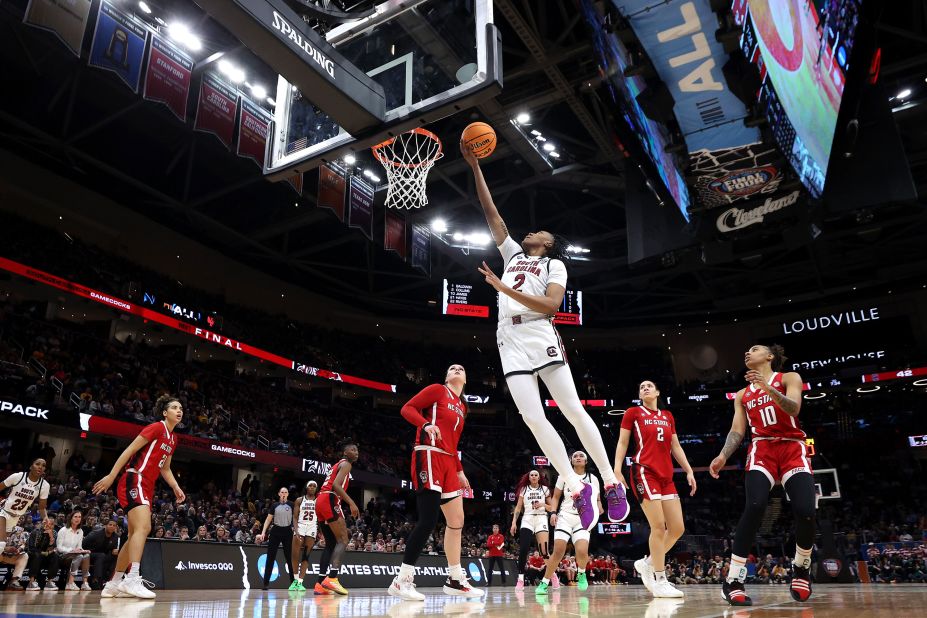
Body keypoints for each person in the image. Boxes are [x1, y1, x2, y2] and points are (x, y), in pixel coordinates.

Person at [462, 139, 628, 528]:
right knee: (533, 418)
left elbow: (552, 307)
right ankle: (574, 487)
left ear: (548, 244)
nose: (530, 232)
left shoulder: (554, 265)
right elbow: (492, 216)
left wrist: (504, 290)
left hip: (540, 333)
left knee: (571, 409)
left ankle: (610, 480)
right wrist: (474, 167)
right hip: (509, 339)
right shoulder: (513, 257)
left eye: (539, 232)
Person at [709, 344, 816, 606]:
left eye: (754, 349)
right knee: (755, 505)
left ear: (769, 357)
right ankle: (733, 580)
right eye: (745, 350)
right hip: (762, 449)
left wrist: (767, 388)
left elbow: (793, 409)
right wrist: (723, 455)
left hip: (792, 446)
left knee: (805, 509)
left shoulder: (789, 378)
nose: (747, 352)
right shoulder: (742, 394)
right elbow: (737, 430)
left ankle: (801, 567)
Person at [387, 365, 483, 601]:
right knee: (429, 520)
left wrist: (460, 471)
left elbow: (453, 442)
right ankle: (402, 580)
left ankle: (454, 579)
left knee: (457, 521)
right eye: (452, 368)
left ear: (466, 378)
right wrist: (425, 424)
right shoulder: (437, 390)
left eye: (461, 368)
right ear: (446, 376)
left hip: (449, 462)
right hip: (429, 454)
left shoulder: (462, 406)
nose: (457, 369)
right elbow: (407, 408)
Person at [93, 394, 186, 599]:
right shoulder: (156, 427)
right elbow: (129, 450)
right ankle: (133, 578)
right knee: (144, 527)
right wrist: (111, 475)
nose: (179, 411)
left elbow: (166, 468)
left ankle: (114, 584)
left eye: (181, 408)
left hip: (147, 485)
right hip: (133, 478)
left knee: (135, 534)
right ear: (164, 412)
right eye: (174, 407)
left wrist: (175, 487)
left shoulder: (173, 438)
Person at [614, 380, 696, 599]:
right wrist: (617, 468)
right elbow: (623, 442)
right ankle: (660, 580)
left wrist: (688, 470)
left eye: (649, 386)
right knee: (658, 526)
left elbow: (675, 446)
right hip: (643, 471)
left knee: (677, 528)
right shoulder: (633, 412)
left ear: (658, 392)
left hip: (666, 476)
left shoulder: (668, 416)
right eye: (641, 387)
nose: (645, 388)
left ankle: (648, 563)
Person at [536, 451, 603, 595]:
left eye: (581, 456)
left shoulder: (593, 478)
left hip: (582, 518)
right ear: (571, 461)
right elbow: (555, 497)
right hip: (565, 516)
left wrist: (599, 506)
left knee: (582, 550)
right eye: (575, 456)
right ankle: (544, 582)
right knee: (558, 551)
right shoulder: (563, 476)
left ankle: (582, 573)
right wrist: (553, 513)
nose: (578, 458)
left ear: (586, 461)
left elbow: (597, 499)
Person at [313, 440, 360, 596]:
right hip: (329, 498)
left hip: (319, 500)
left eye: (357, 450)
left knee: (330, 544)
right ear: (345, 453)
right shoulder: (346, 464)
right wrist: (352, 503)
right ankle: (332, 578)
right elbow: (336, 486)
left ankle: (320, 584)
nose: (356, 452)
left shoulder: (337, 465)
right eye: (353, 449)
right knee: (343, 540)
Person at [511, 469, 552, 590]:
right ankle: (520, 579)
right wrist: (514, 522)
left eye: (536, 475)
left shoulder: (545, 489)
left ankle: (552, 575)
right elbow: (518, 508)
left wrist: (543, 505)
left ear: (539, 478)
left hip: (541, 519)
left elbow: (551, 508)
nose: (534, 476)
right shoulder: (524, 489)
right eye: (532, 475)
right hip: (528, 519)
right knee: (523, 549)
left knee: (544, 551)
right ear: (529, 478)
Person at [0, 458, 49, 555]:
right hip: (3, 512)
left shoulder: (45, 485)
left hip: (16, 518)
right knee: (1, 544)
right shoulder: (18, 476)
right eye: (37, 464)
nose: (40, 467)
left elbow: (42, 507)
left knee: (3, 548)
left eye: (43, 465)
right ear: (31, 466)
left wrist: (45, 519)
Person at [256, 487, 296, 590]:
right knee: (270, 557)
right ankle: (265, 583)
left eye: (285, 492)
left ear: (287, 494)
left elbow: (296, 518)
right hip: (275, 531)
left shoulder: (292, 505)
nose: (283, 493)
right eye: (282, 492)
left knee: (289, 558)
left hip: (287, 532)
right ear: (279, 494)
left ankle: (293, 583)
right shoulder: (274, 505)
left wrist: (296, 531)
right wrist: (263, 533)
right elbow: (268, 520)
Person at [292, 480, 318, 591]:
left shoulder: (319, 501)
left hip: (312, 527)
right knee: (295, 554)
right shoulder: (299, 500)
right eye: (310, 486)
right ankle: (295, 580)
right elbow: (295, 517)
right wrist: (296, 530)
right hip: (301, 526)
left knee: (306, 556)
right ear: (306, 488)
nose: (312, 487)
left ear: (316, 488)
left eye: (314, 486)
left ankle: (300, 582)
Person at [56, 510, 92, 591]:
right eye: (75, 517)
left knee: (86, 556)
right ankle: (70, 583)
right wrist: (72, 550)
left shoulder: (80, 531)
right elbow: (59, 548)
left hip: (75, 555)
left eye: (79, 517)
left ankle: (85, 583)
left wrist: (83, 550)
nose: (78, 519)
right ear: (71, 518)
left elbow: (79, 547)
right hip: (62, 556)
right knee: (78, 556)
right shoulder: (63, 530)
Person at [23, 516, 59, 591]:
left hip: (46, 555)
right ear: (44, 523)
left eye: (51, 524)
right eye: (48, 523)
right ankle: (31, 582)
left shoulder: (54, 533)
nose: (49, 526)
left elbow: (53, 548)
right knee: (37, 555)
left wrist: (51, 537)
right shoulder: (35, 532)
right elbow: (31, 548)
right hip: (34, 555)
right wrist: (42, 553)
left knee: (55, 556)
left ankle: (49, 582)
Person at [82, 518, 119, 589]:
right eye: (110, 524)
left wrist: (115, 551)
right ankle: (95, 580)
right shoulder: (95, 533)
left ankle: (110, 581)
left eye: (114, 525)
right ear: (105, 526)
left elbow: (112, 549)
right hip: (89, 554)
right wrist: (85, 551)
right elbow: (83, 543)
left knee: (115, 557)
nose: (112, 526)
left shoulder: (115, 536)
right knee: (101, 556)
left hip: (102, 555)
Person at [0, 524, 29, 590]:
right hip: (1, 554)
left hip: (11, 556)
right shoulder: (1, 528)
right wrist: (4, 548)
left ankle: (14, 581)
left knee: (24, 556)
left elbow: (23, 544)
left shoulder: (23, 532)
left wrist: (18, 550)